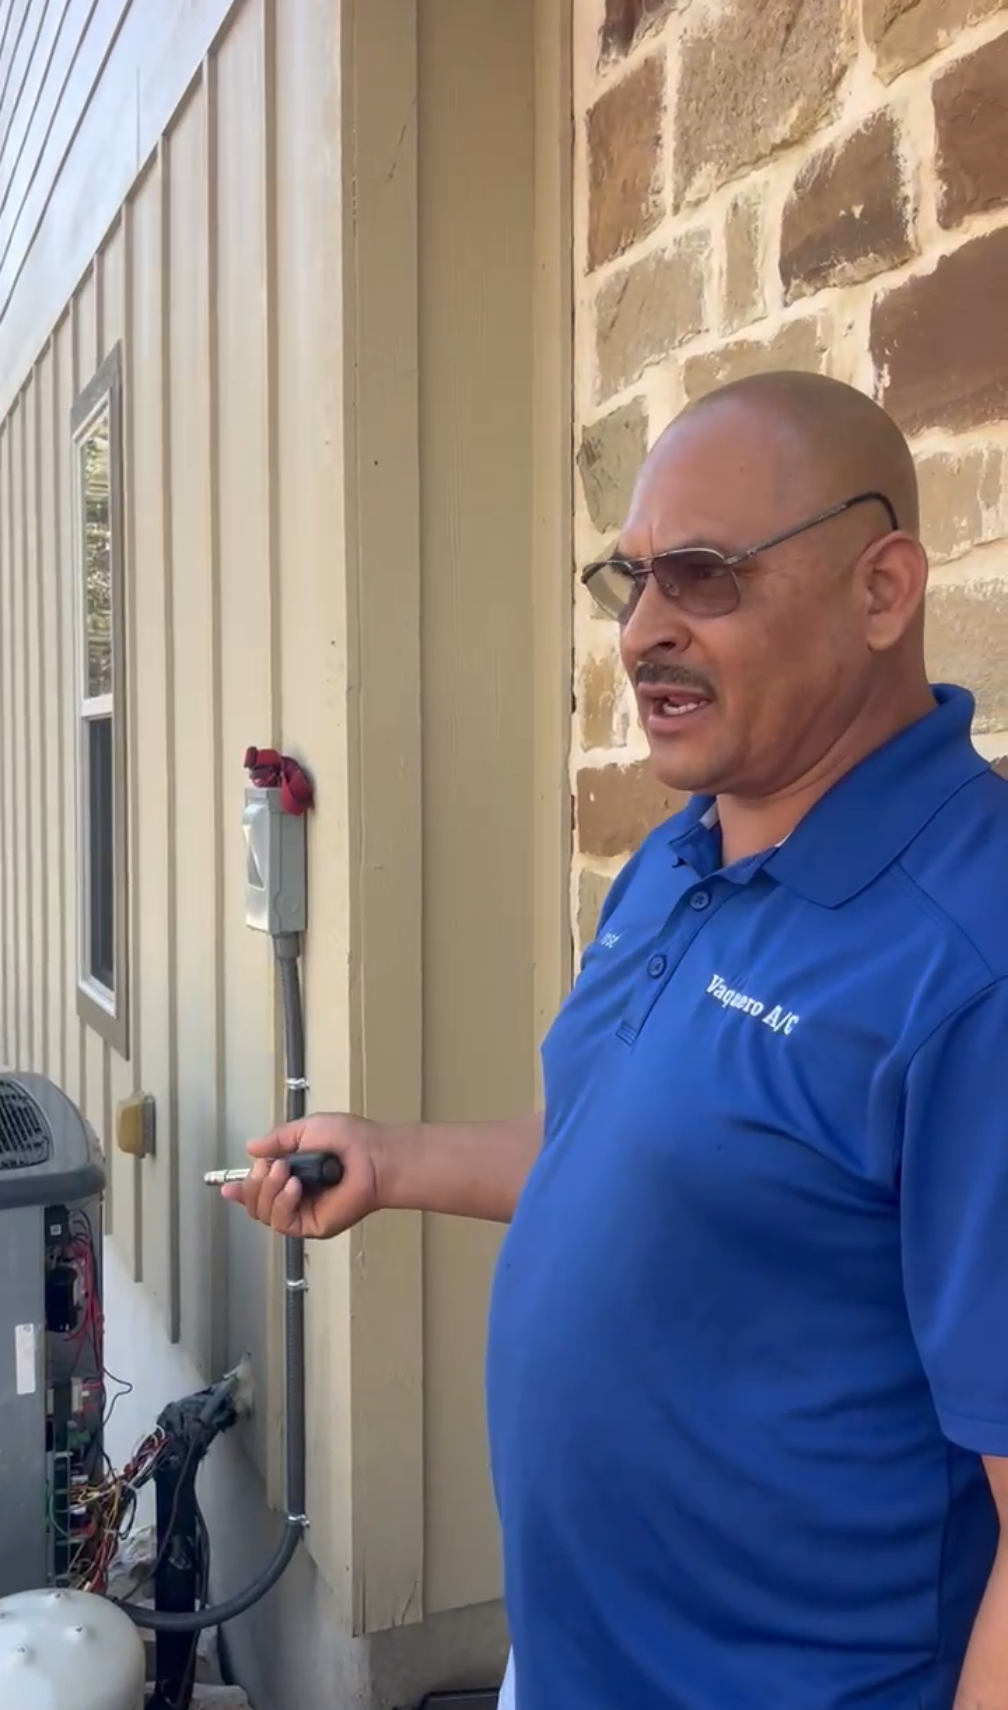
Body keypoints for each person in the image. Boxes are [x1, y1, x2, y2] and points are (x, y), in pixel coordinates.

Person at [223, 371, 1008, 1710]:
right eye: (628, 579)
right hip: (575, 1660)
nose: (642, 630)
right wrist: (397, 1157)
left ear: (883, 592)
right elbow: (640, 1153)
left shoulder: (970, 955)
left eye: (703, 575)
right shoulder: (678, 854)